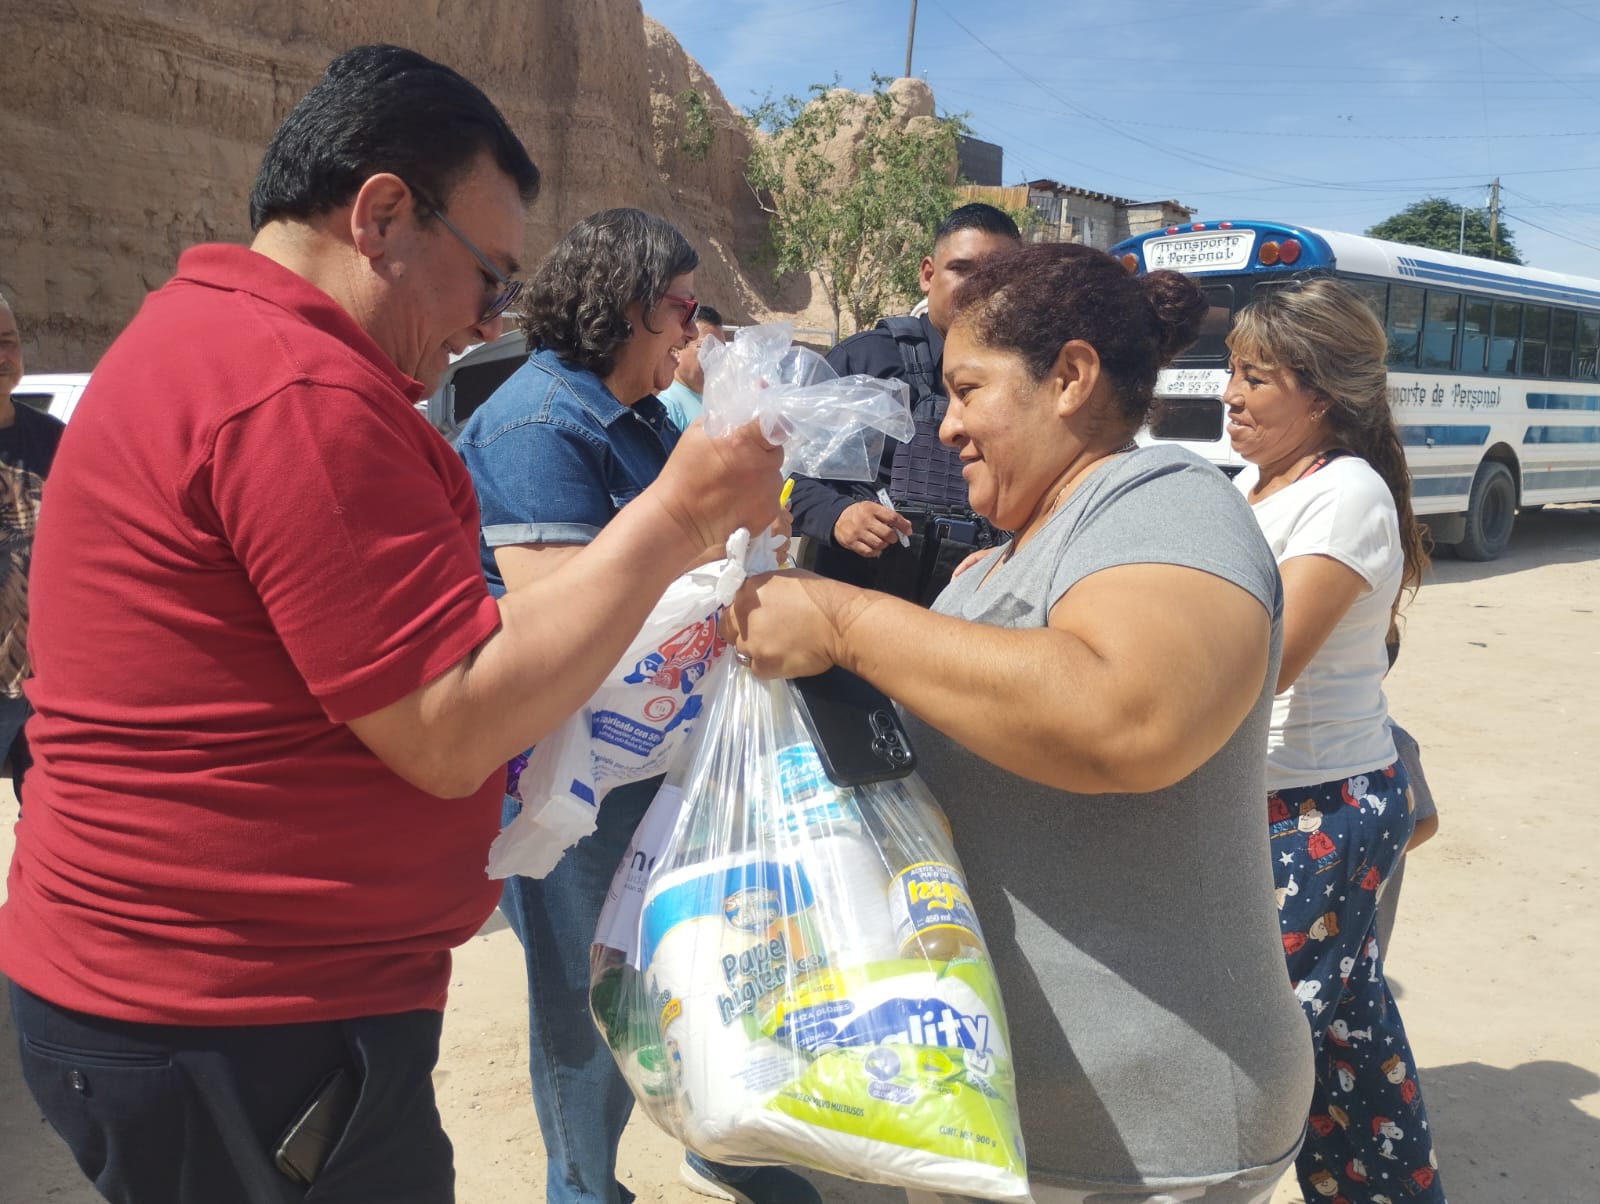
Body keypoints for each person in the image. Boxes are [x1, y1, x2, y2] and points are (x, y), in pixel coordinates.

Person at [0, 46, 781, 1204]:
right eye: (487, 276)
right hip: (231, 1018)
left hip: (210, 1007)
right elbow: (446, 724)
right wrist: (678, 517)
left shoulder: (222, 344)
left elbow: (433, 644)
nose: (491, 320)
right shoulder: (296, 391)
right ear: (379, 216)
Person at [725, 242, 1315, 1202]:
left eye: (968, 389)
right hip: (1005, 1121)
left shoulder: (1165, 499)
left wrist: (843, 620)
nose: (946, 425)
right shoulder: (1000, 556)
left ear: (1071, 377)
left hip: (1142, 1130)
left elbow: (1125, 717)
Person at [456, 212, 814, 1204]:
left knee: (700, 961)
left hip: (661, 755)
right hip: (575, 775)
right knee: (583, 1004)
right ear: (622, 306)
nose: (692, 334)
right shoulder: (539, 427)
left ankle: (719, 1147)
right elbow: (553, 625)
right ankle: (582, 1186)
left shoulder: (650, 412)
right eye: (678, 310)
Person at [1224, 277, 1445, 1202]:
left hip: (1319, 806)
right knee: (1347, 1032)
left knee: (1255, 1046)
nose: (1230, 393)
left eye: (1257, 378)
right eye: (1233, 371)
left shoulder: (1346, 496)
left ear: (1321, 394)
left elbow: (1261, 664)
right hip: (1273, 797)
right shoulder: (1257, 480)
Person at [786, 203, 1019, 605]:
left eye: (997, 276)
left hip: (973, 622)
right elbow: (785, 474)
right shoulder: (866, 363)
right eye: (961, 270)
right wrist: (838, 515)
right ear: (928, 274)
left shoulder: (1031, 377)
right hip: (853, 616)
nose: (978, 289)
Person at [0, 295, 64, 798]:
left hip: (47, 679)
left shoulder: (56, 439)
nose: (3, 357)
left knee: (45, 815)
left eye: (9, 343)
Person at [657, 303, 726, 431]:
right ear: (679, 346)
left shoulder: (715, 399)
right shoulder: (667, 405)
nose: (714, 357)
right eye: (707, 347)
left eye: (720, 349)